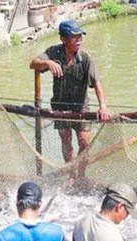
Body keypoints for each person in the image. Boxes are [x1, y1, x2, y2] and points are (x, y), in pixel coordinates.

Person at [29, 19, 111, 179]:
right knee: (66, 142)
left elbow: (97, 83)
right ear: (63, 39)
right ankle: (72, 176)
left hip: (81, 109)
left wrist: (103, 107)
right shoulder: (54, 52)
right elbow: (33, 64)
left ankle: (81, 176)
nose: (79, 40)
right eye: (74, 37)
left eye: (80, 36)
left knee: (85, 143)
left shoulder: (86, 59)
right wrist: (47, 62)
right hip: (60, 108)